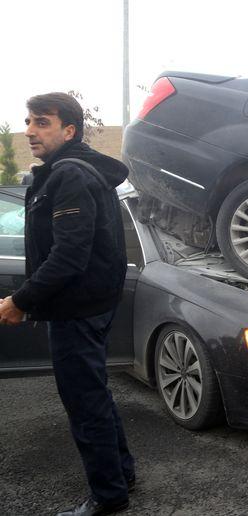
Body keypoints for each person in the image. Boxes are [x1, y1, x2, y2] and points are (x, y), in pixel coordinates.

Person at [0, 93, 135, 515]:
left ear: (69, 130)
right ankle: (122, 474)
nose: (30, 131)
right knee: (93, 393)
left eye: (42, 122)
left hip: (77, 308)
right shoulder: (73, 172)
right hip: (89, 304)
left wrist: (20, 300)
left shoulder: (71, 175)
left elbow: (68, 255)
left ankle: (108, 497)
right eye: (28, 121)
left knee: (84, 402)